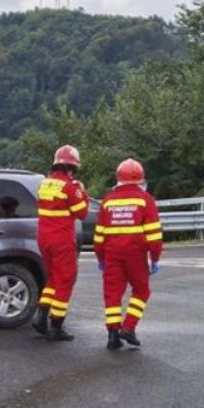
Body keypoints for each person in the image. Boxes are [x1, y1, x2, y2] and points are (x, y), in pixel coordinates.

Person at [94, 158, 163, 350]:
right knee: (142, 290)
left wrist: (101, 259)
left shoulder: (107, 201)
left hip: (111, 255)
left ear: (118, 179)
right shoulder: (145, 200)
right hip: (136, 254)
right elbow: (154, 235)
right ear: (141, 180)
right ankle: (129, 327)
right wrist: (155, 258)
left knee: (112, 295)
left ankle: (112, 336)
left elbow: (99, 237)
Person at [32, 145, 90, 341]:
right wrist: (83, 192)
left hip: (44, 238)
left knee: (53, 278)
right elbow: (81, 213)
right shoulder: (70, 187)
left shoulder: (44, 184)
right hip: (62, 240)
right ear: (72, 167)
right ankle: (56, 325)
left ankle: (41, 317)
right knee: (66, 279)